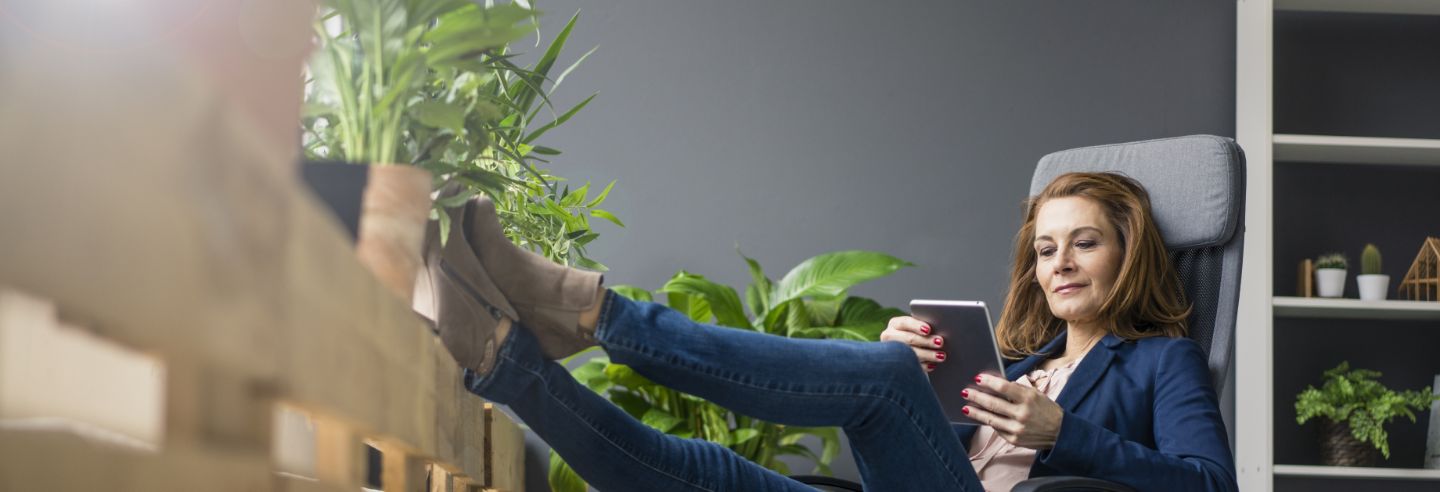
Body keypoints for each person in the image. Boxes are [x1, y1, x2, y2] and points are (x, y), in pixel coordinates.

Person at [417, 172, 1237, 492]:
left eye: (1086, 242)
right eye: (1047, 248)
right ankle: (505, 361)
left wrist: (1069, 433)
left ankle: (593, 313)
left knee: (877, 386)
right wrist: (915, 382)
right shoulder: (1019, 361)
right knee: (705, 472)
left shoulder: (1163, 361)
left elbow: (1209, 486)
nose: (1060, 264)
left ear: (1129, 252)